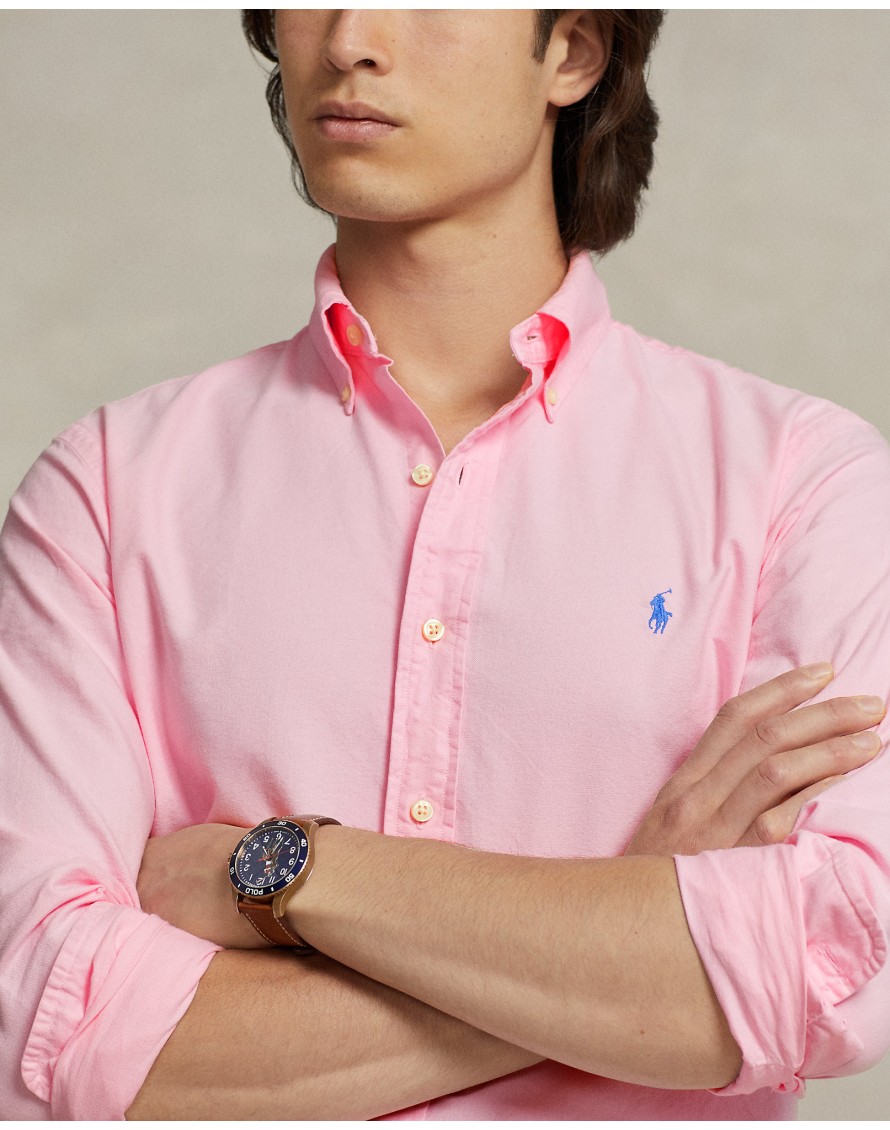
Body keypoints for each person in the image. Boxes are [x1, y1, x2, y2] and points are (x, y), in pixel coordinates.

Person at [1, 9, 889, 1121]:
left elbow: (824, 968)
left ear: (573, 50)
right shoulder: (105, 490)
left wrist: (284, 873)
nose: (348, 39)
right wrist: (619, 932)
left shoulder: (797, 481)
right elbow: (50, 1028)